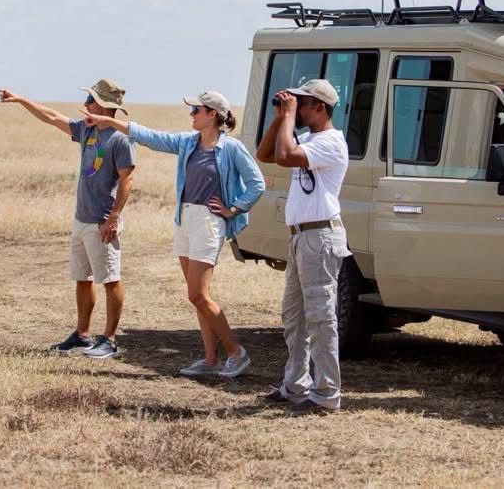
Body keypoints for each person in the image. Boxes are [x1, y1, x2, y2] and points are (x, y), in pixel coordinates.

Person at [82, 91, 264, 378]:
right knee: (197, 296)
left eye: (197, 109)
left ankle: (236, 353)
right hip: (185, 219)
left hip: (208, 221)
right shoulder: (188, 142)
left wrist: (234, 209)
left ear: (213, 115)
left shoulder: (231, 148)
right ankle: (210, 359)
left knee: (198, 294)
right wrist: (107, 120)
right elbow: (151, 136)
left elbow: (257, 183)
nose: (192, 114)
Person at [0, 79, 135, 359]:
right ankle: (83, 335)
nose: (85, 105)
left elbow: (127, 179)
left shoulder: (120, 139)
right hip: (81, 219)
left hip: (101, 221)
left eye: (91, 100)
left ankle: (109, 340)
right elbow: (52, 117)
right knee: (82, 278)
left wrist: (114, 217)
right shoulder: (86, 129)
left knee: (110, 279)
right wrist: (22, 99)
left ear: (105, 106)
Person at [256, 79, 350, 415]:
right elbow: (265, 154)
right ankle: (296, 386)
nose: (299, 108)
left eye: (304, 103)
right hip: (301, 236)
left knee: (321, 318)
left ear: (320, 108)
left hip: (320, 237)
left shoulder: (331, 143)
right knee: (294, 316)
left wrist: (289, 116)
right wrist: (282, 116)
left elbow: (283, 157)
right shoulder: (309, 137)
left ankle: (327, 394)